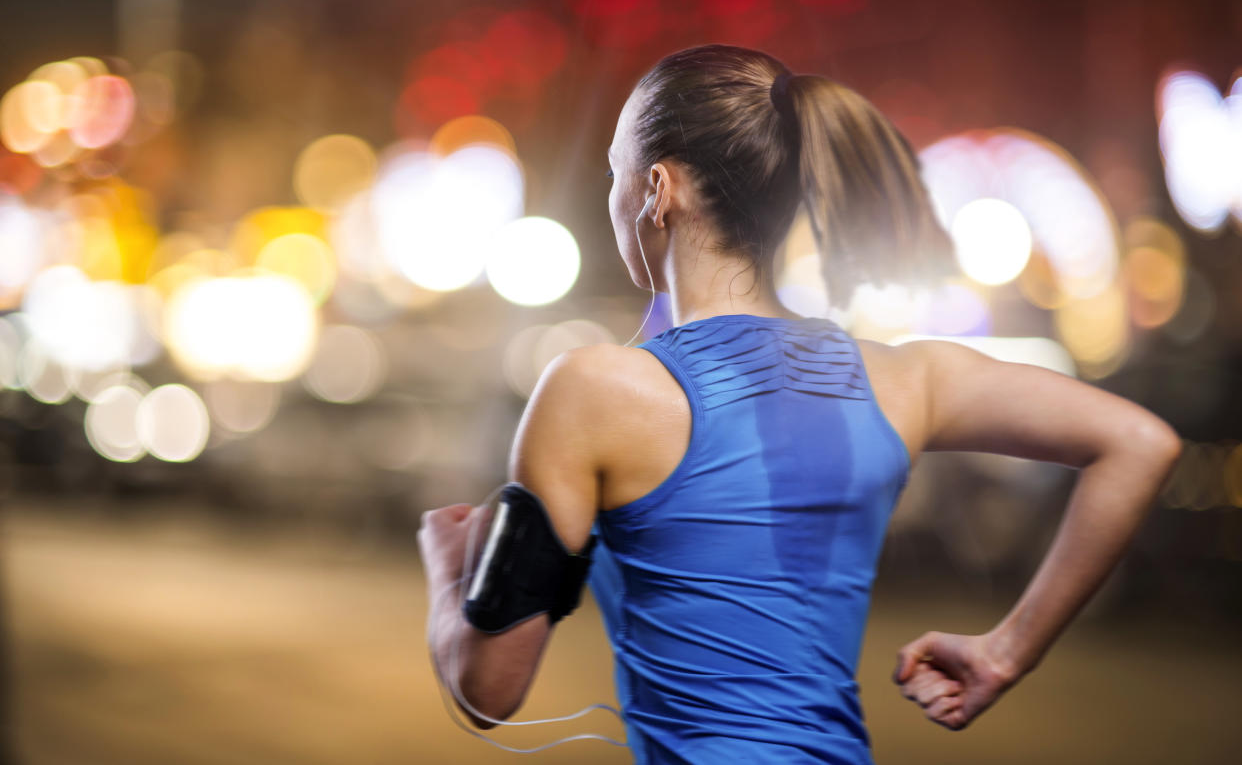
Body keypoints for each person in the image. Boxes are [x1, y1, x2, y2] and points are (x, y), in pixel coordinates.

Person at [418, 44, 1183, 763]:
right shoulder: (909, 379)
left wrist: (451, 572)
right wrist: (1007, 652)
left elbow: (488, 690)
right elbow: (1141, 442)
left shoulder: (593, 388)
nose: (612, 194)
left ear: (658, 190)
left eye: (616, 172)